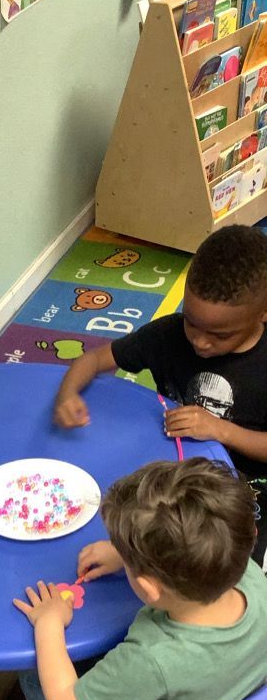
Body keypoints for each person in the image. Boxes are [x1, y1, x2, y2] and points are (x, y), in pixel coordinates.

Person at [14, 458, 267, 700]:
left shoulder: (151, 659)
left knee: (31, 674)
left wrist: (49, 622)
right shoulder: (249, 575)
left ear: (149, 589)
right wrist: (129, 556)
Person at [53, 224, 267, 565]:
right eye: (192, 322)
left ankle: (137, 560)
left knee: (219, 566)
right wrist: (67, 394)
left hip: (246, 486)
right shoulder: (168, 336)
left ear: (262, 315)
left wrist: (222, 430)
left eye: (220, 335)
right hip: (174, 468)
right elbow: (94, 359)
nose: (200, 341)